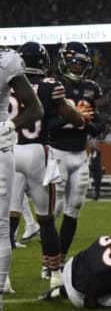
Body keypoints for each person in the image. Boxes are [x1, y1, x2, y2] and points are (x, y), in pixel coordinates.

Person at [8, 42, 86, 288]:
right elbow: (71, 116)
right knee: (46, 219)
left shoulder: (6, 84)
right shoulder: (51, 85)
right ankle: (54, 276)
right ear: (43, 62)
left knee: (7, 219)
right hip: (37, 154)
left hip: (9, 151)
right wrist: (80, 116)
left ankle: (4, 279)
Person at [48, 41, 104, 275]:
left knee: (74, 208)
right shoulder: (53, 85)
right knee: (55, 208)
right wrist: (73, 117)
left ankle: (60, 261)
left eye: (82, 63)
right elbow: (48, 125)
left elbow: (98, 127)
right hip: (57, 152)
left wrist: (86, 121)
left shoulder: (92, 88)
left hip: (80, 154)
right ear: (63, 61)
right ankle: (48, 260)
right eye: (75, 62)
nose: (79, 68)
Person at [0, 45, 44, 308]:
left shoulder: (6, 60)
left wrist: (10, 125)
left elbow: (36, 108)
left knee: (1, 227)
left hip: (0, 148)